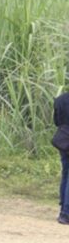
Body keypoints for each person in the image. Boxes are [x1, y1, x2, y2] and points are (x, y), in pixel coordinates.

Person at [54, 90, 69, 225]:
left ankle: (63, 207)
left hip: (64, 140)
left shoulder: (60, 99)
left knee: (66, 173)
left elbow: (57, 121)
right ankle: (66, 213)